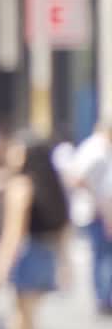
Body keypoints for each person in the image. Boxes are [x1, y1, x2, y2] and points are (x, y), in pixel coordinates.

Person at [0, 139, 70, 329]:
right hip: (45, 255)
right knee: (26, 324)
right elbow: (63, 229)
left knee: (27, 326)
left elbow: (13, 232)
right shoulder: (50, 185)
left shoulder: (21, 186)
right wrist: (64, 263)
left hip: (28, 257)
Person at [68, 123, 112, 312]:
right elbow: (77, 179)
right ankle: (105, 297)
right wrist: (96, 196)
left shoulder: (93, 147)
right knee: (104, 255)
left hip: (96, 209)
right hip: (97, 210)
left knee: (101, 255)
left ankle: (103, 296)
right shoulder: (97, 150)